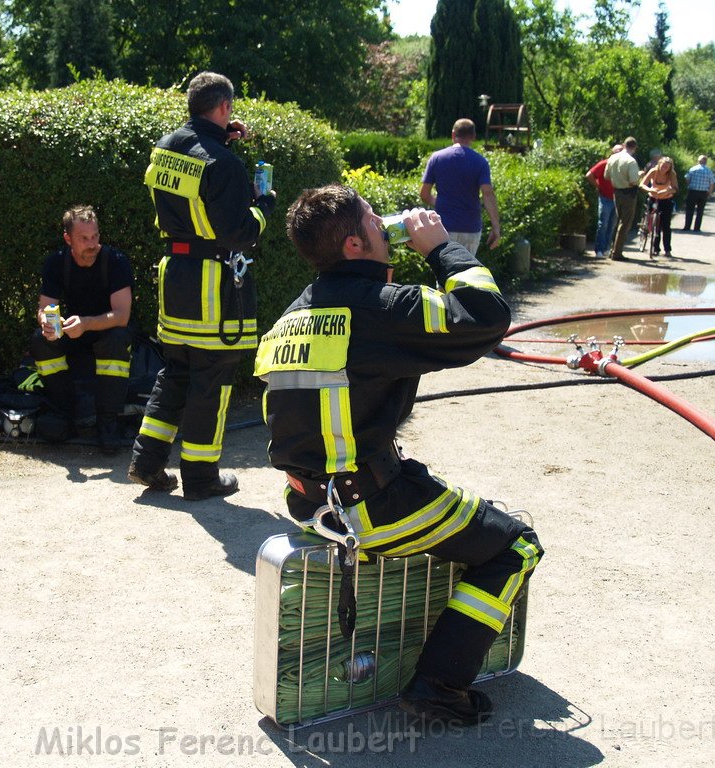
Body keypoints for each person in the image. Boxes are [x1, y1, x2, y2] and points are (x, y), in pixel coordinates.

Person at [255, 184, 543, 725]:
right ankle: (439, 685)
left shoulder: (292, 315)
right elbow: (484, 315)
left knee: (452, 513)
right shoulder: (380, 309)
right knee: (515, 546)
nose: (383, 221)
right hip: (371, 507)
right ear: (354, 244)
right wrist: (440, 248)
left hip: (312, 503)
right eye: (372, 217)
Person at [128, 71, 276, 501]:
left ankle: (146, 463)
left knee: (174, 372)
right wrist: (263, 206)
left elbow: (196, 184)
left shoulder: (167, 145)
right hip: (213, 284)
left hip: (175, 277)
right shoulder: (224, 163)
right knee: (211, 381)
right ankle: (200, 477)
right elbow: (238, 232)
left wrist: (222, 139)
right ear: (225, 106)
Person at [29, 205, 134, 454]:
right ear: (68, 239)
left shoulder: (116, 261)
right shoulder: (56, 262)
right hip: (72, 331)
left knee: (117, 338)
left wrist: (86, 323)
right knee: (40, 340)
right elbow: (45, 307)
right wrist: (47, 324)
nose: (91, 244)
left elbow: (122, 316)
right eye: (84, 238)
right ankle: (64, 413)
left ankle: (107, 422)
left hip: (106, 330)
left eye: (95, 236)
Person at [419, 118, 500, 255]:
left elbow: (424, 194)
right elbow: (488, 194)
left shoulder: (436, 158)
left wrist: (441, 203)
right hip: (471, 227)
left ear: (453, 134)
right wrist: (496, 227)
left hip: (443, 227)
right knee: (467, 273)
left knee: (444, 272)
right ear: (473, 136)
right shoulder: (480, 162)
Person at [586, 144, 624, 259]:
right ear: (612, 153)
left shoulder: (624, 165)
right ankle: (599, 250)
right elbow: (589, 175)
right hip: (605, 197)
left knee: (612, 225)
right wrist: (598, 186)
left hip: (617, 198)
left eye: (621, 152)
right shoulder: (604, 163)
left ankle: (607, 248)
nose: (619, 153)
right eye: (617, 151)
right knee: (603, 223)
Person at [606, 136, 641, 261]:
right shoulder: (631, 161)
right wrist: (639, 176)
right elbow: (633, 181)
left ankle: (611, 249)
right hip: (628, 193)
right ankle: (617, 252)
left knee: (617, 221)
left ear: (624, 145)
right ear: (635, 148)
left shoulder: (612, 158)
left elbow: (606, 176)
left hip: (616, 192)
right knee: (625, 223)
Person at [639, 156, 679, 258]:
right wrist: (650, 190)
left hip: (666, 199)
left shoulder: (672, 174)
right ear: (659, 164)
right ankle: (655, 248)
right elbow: (642, 184)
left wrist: (667, 190)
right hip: (653, 198)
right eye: (663, 165)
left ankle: (667, 249)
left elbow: (675, 188)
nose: (664, 168)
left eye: (667, 167)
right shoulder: (653, 171)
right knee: (654, 222)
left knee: (665, 225)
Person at [683, 155, 715, 232]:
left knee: (689, 209)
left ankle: (687, 226)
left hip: (692, 191)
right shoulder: (709, 171)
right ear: (706, 161)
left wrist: (689, 185)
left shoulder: (693, 169)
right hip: (703, 193)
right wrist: (709, 192)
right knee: (700, 211)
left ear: (698, 161)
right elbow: (712, 183)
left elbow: (687, 178)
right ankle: (697, 228)